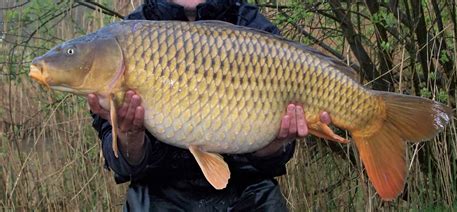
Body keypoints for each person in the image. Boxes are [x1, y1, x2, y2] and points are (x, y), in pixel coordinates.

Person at [88, 0, 331, 211]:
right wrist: (130, 136)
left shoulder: (254, 27)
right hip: (159, 193)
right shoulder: (125, 38)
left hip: (248, 192)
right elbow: (122, 164)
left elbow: (275, 160)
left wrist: (276, 141)